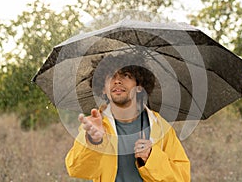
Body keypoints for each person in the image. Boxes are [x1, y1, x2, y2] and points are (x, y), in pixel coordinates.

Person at [65, 53, 190, 181]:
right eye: (111, 76)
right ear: (103, 89)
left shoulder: (161, 127)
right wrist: (94, 141)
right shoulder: (94, 126)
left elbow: (182, 177)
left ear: (139, 86)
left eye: (126, 75)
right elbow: (75, 169)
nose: (117, 81)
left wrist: (152, 158)